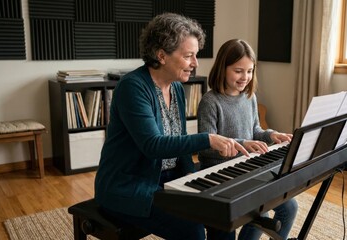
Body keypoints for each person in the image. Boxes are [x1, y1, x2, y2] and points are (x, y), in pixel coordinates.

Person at [94, 14, 249, 240]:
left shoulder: (176, 87)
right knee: (192, 230)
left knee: (221, 210)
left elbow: (180, 139)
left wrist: (191, 178)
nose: (195, 63)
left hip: (168, 178)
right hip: (129, 185)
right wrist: (208, 138)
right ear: (161, 55)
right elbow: (153, 145)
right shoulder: (132, 87)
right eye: (188, 56)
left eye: (195, 55)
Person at [197, 39, 298, 240]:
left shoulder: (249, 97)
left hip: (248, 169)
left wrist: (271, 135)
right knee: (237, 225)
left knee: (289, 207)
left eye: (250, 71)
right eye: (238, 71)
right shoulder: (210, 101)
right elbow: (205, 148)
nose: (245, 77)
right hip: (220, 175)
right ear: (222, 68)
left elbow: (255, 130)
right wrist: (242, 143)